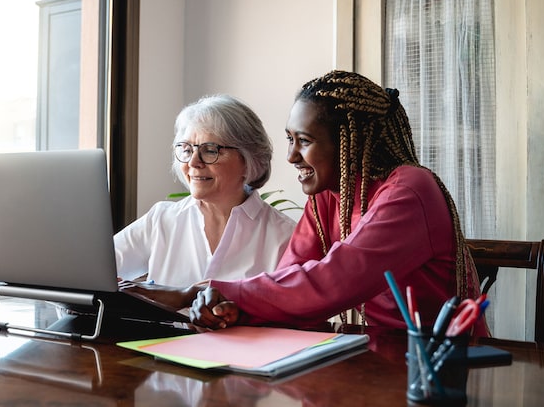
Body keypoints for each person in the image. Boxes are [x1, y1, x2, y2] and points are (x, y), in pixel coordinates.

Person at [188, 71, 489, 337]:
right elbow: (291, 277)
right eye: (289, 139)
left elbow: (334, 282)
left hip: (443, 360)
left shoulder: (411, 189)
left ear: (348, 143)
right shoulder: (328, 195)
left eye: (304, 141)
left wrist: (204, 291)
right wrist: (230, 308)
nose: (292, 156)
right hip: (378, 354)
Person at [113, 94, 296, 306]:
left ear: (248, 159)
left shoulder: (284, 236)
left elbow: (290, 318)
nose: (193, 162)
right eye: (187, 149)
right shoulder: (161, 219)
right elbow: (94, 273)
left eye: (210, 151)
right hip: (164, 340)